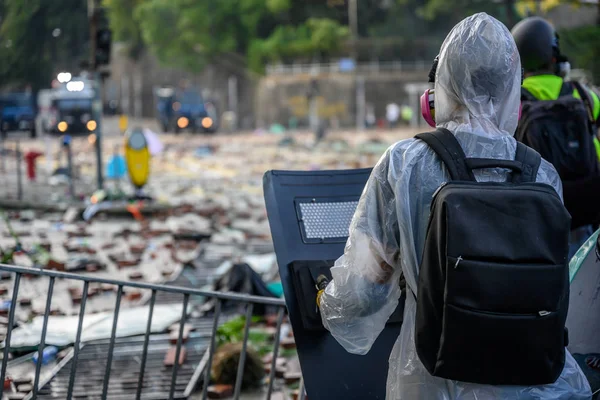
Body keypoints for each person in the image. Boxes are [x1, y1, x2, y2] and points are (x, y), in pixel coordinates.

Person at [317, 13, 590, 399]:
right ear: (513, 88)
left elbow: (362, 293)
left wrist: (324, 300)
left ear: (438, 87)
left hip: (431, 378)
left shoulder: (404, 163)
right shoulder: (542, 174)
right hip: (532, 382)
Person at [511, 16, 600, 258]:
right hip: (587, 216)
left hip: (539, 219)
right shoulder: (585, 96)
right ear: (553, 56)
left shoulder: (513, 104)